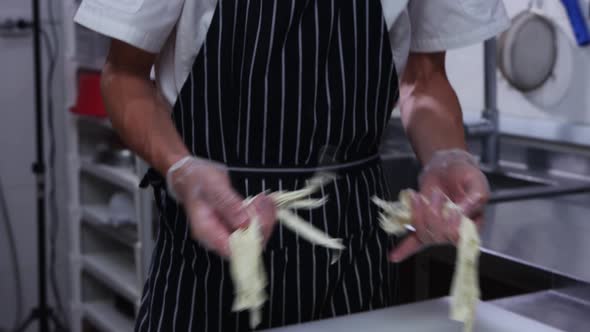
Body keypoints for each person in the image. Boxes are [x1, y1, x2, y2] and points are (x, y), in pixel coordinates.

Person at [74, 0, 508, 331]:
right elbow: (124, 75)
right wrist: (180, 167)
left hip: (354, 259)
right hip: (209, 258)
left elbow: (425, 76)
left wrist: (446, 153)